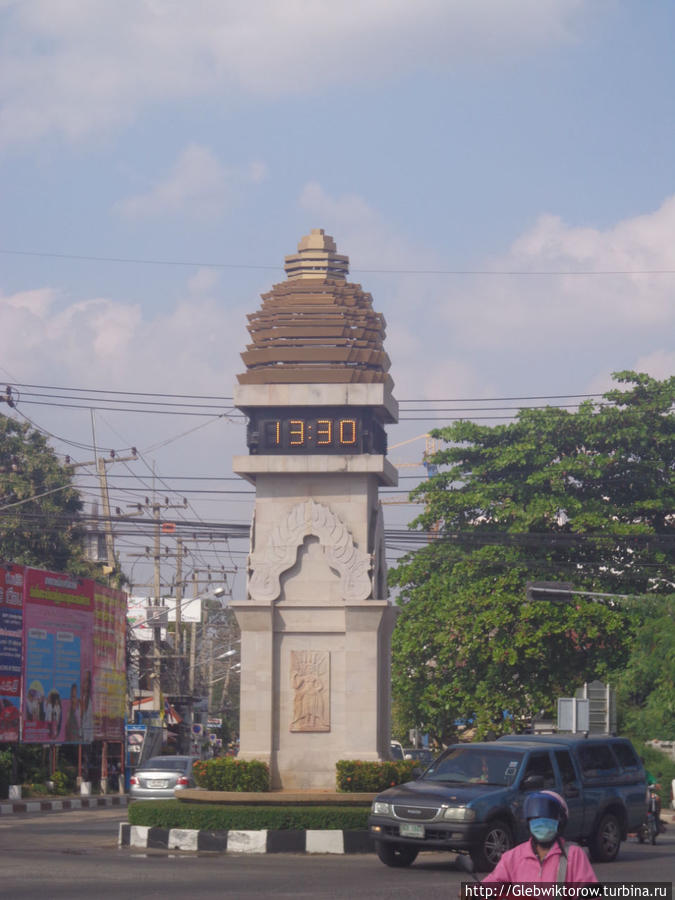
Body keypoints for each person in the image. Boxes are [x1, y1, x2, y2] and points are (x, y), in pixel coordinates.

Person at [482, 791, 598, 885]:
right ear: (528, 823)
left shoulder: (574, 855)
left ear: (560, 823)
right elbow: (493, 884)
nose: (542, 824)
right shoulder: (513, 857)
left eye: (547, 820)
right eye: (536, 819)